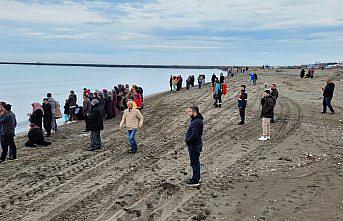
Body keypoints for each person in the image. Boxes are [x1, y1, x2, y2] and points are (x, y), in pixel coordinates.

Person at [185, 106, 204, 187]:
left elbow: (195, 135)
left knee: (194, 162)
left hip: (194, 145)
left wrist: (188, 140)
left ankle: (195, 180)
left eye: (189, 112)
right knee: (196, 162)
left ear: (194, 112)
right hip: (196, 144)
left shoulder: (196, 122)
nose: (188, 113)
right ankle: (197, 177)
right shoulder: (197, 120)